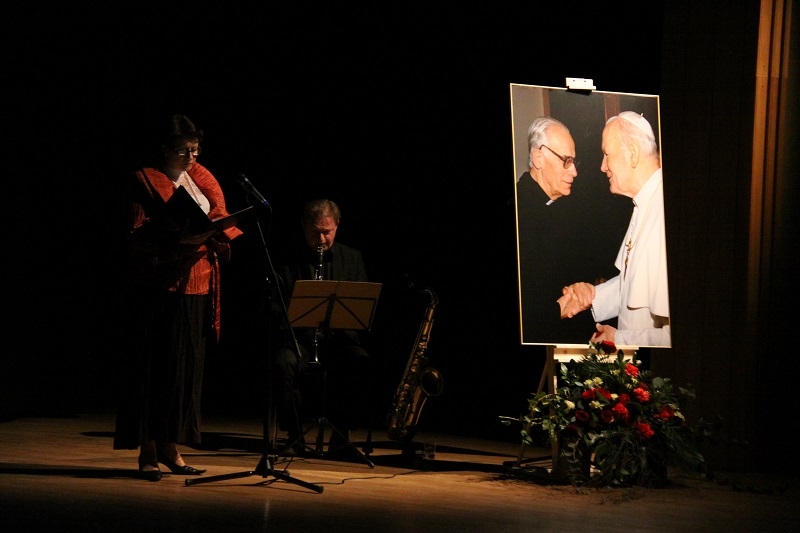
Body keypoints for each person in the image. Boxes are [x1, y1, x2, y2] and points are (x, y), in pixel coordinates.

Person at [113, 113, 244, 481]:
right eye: (183, 150)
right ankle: (148, 452)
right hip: (158, 286)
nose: (191, 156)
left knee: (183, 371)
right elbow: (134, 234)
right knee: (154, 369)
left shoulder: (201, 178)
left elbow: (219, 215)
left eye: (195, 149)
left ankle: (171, 447)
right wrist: (175, 240)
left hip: (196, 283)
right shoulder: (145, 180)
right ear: (164, 149)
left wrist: (214, 234)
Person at [271, 198, 371, 457]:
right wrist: (293, 314)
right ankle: (294, 435)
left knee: (359, 361)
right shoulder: (286, 258)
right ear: (304, 226)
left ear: (337, 225)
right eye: (315, 232)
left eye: (327, 232)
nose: (321, 239)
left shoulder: (352, 258)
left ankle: (341, 436)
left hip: (338, 339)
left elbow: (359, 308)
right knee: (284, 364)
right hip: (300, 339)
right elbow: (271, 304)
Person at [561, 111, 670, 347]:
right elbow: (632, 285)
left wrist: (620, 339)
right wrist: (590, 298)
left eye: (606, 155)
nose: (602, 166)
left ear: (633, 153)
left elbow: (677, 335)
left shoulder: (664, 210)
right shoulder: (643, 203)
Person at [516, 116, 597, 343]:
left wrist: (581, 287)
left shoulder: (564, 210)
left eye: (574, 161)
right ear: (538, 158)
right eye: (566, 161)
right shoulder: (518, 211)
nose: (574, 172)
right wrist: (558, 310)